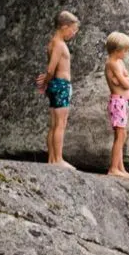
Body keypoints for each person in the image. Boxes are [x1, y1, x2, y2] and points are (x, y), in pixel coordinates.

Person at [35, 11, 81, 167]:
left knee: (55, 123)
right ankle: (58, 159)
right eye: (72, 30)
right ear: (64, 26)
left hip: (57, 84)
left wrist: (47, 81)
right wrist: (46, 80)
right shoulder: (59, 44)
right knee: (60, 123)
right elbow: (51, 68)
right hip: (60, 84)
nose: (74, 33)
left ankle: (52, 159)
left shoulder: (53, 42)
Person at [104, 32, 129, 179]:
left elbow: (127, 78)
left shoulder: (120, 62)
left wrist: (127, 82)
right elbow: (125, 82)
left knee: (123, 134)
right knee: (120, 134)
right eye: (125, 50)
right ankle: (113, 168)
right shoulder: (111, 63)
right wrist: (127, 82)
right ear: (117, 50)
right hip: (117, 102)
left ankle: (120, 167)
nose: (126, 53)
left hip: (124, 102)